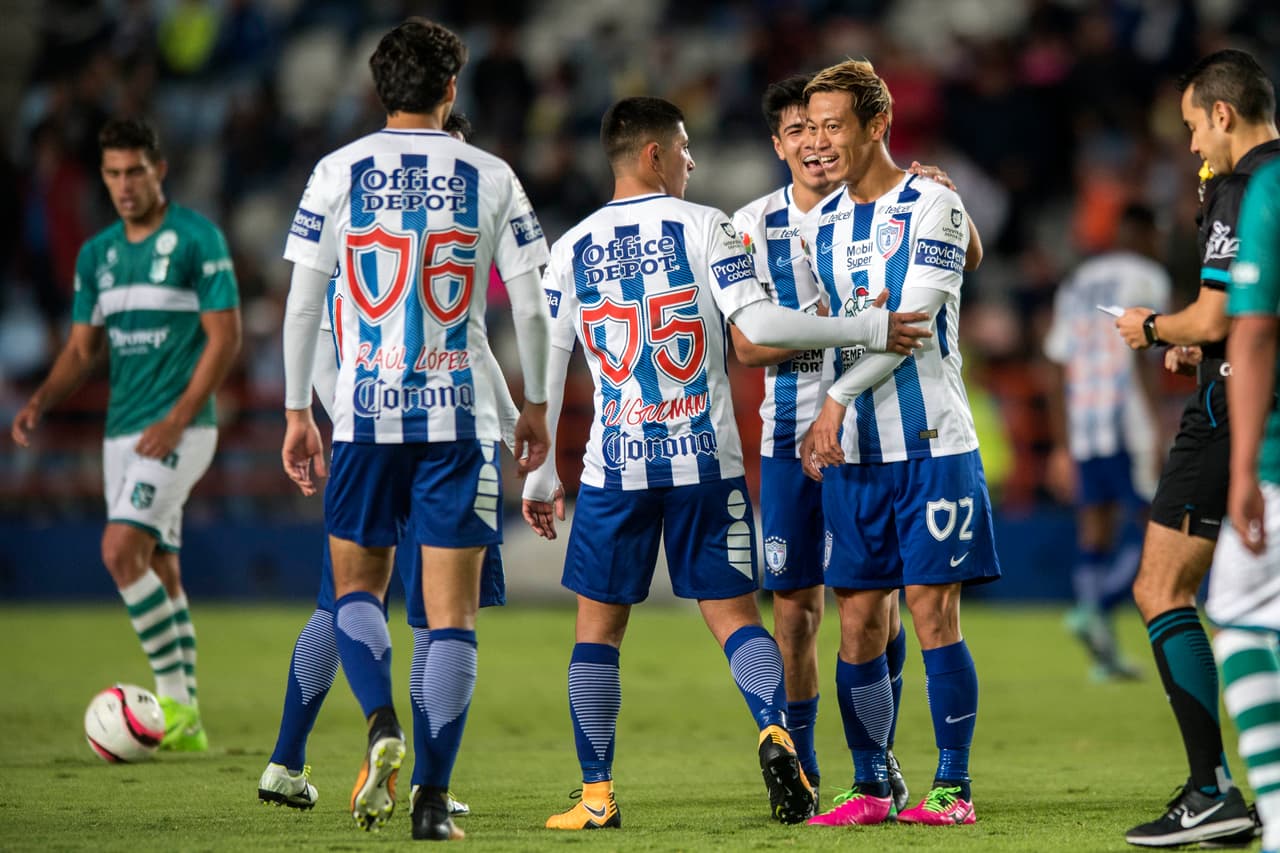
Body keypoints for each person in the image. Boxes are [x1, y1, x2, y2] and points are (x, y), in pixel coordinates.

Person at [521, 95, 933, 830]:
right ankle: (777, 732)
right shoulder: (706, 225)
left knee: (597, 632)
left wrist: (543, 469)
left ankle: (596, 795)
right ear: (653, 154)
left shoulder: (573, 245)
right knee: (737, 618)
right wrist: (865, 325)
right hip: (704, 460)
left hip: (616, 467)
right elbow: (758, 326)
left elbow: (549, 368)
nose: (691, 160)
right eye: (683, 148)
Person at [279, 19, 552, 841]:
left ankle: (378, 722)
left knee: (357, 591)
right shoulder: (491, 173)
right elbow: (533, 304)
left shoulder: (338, 171)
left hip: (362, 414)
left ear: (377, 89)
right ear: (451, 90)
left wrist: (299, 408)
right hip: (459, 416)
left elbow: (302, 302)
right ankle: (432, 803)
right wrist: (535, 404)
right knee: (452, 617)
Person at [258, 113, 493, 820]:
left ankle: (287, 761)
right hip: (427, 435)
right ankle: (424, 782)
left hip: (366, 431)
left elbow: (317, 327)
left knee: (345, 600)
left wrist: (340, 420)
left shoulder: (356, 228)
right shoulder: (427, 235)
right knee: (437, 614)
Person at [797, 58, 1001, 828]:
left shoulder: (934, 204)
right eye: (810, 125)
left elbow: (910, 327)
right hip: (856, 452)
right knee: (856, 619)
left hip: (932, 442)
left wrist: (833, 403)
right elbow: (828, 333)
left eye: (833, 123)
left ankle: (955, 787)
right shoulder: (820, 226)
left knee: (932, 610)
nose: (819, 139)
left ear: (877, 124)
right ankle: (873, 784)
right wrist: (829, 407)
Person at [11, 117, 241, 753]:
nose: (123, 184)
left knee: (118, 551)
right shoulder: (98, 255)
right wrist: (41, 401)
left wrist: (178, 415)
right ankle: (187, 717)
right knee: (160, 566)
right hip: (123, 434)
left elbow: (225, 339)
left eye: (134, 170)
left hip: (183, 427)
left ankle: (168, 699)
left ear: (158, 170)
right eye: (112, 173)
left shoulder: (197, 239)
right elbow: (83, 348)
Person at [1113, 49, 1279, 847]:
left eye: (1191, 128)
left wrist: (1152, 329)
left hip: (1232, 420)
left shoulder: (1243, 187)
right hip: (1252, 395)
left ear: (1222, 113)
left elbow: (1216, 316)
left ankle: (1212, 787)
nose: (1191, 148)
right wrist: (1204, 346)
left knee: (1161, 588)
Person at [1044, 203, 1171, 680]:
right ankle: (1096, 608)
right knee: (1155, 525)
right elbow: (1141, 355)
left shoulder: (1078, 281)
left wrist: (1060, 445)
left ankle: (1103, 651)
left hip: (1083, 423)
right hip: (1126, 419)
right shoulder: (1147, 277)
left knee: (1093, 530)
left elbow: (1055, 363)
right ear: (1142, 233)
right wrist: (1157, 426)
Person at [1208, 156, 1280, 853]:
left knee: (1237, 616)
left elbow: (1252, 330)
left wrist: (1244, 469)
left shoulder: (1270, 189)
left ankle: (1277, 811)